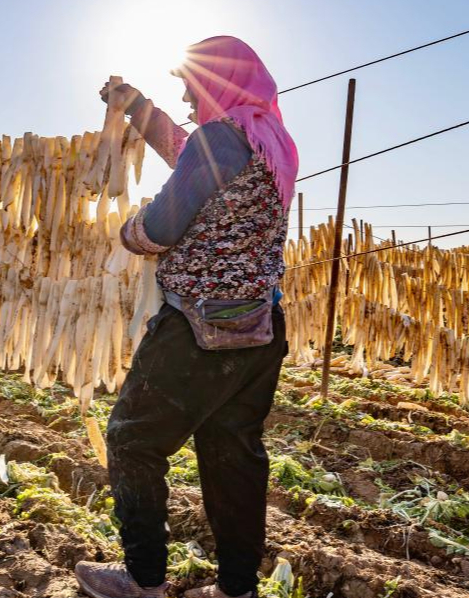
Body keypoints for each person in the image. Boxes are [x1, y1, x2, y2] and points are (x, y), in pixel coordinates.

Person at [75, 36, 298, 598]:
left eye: (192, 90)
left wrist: (128, 230)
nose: (188, 102)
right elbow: (192, 155)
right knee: (232, 456)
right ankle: (236, 589)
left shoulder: (220, 138)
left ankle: (143, 580)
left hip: (200, 332)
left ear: (216, 86)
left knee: (131, 441)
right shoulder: (267, 139)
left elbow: (160, 228)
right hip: (259, 327)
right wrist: (137, 107)